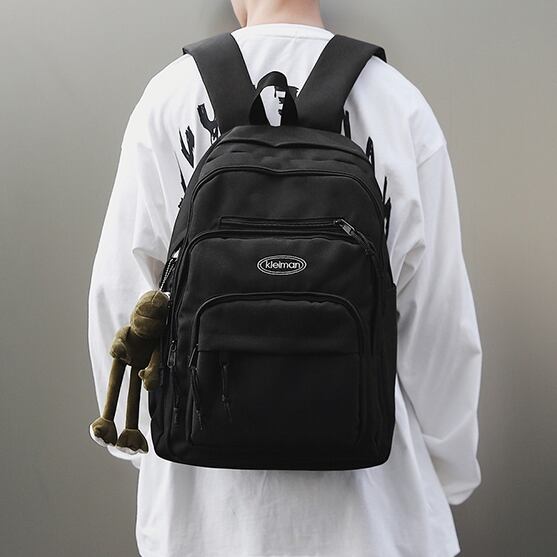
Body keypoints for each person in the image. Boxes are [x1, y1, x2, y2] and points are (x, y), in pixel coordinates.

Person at [88, 1, 482, 555]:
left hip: (203, 519)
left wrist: (149, 444)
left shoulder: (169, 98)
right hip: (374, 517)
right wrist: (450, 475)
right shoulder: (398, 103)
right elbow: (439, 326)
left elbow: (119, 305)